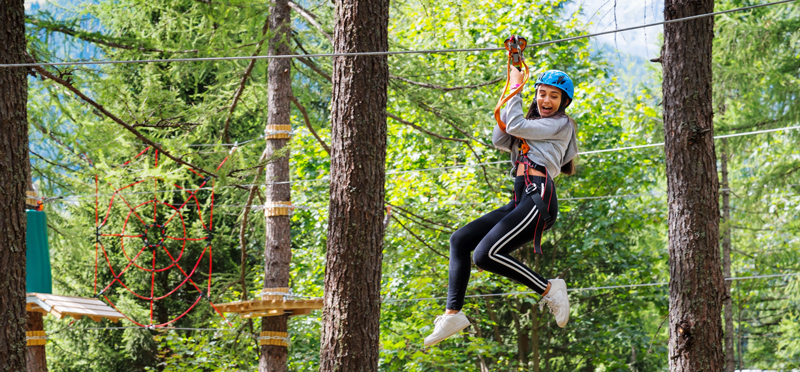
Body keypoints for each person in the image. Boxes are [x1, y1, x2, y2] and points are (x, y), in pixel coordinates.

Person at [423, 69, 579, 347]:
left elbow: (516, 125)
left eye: (554, 96)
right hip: (521, 200)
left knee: (484, 255)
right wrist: (511, 89)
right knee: (460, 240)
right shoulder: (531, 124)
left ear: (563, 102)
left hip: (538, 196)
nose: (546, 100)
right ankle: (452, 314)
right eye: (542, 93)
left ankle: (549, 288)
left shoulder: (561, 124)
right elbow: (500, 137)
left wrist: (516, 92)